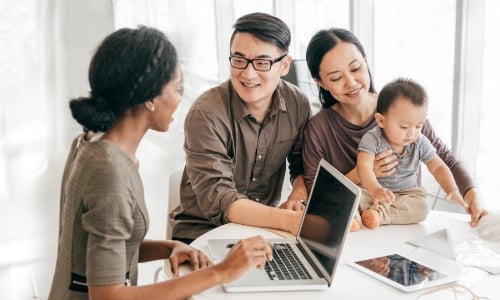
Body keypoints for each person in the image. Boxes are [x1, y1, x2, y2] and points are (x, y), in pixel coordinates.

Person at [48, 26, 272, 300]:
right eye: (177, 89)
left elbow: (106, 248)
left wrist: (169, 247)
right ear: (151, 98)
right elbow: (107, 296)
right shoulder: (109, 174)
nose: (180, 100)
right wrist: (221, 272)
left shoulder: (92, 143)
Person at [302, 28, 488, 230]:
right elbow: (316, 194)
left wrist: (473, 197)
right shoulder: (318, 129)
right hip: (354, 233)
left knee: (420, 206)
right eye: (336, 78)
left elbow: (444, 159)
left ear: (366, 60)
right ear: (319, 81)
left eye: (356, 68)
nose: (351, 82)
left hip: (403, 227)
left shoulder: (402, 110)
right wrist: (361, 174)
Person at [169, 12, 311, 243]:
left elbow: (300, 163)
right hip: (202, 235)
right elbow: (220, 198)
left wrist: (299, 191)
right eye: (239, 59)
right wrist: (287, 220)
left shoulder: (297, 104)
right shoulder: (206, 114)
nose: (248, 73)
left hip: (263, 230)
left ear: (284, 65)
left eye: (262, 63)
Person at [357, 78, 467, 229]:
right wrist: (375, 189)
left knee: (421, 208)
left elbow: (438, 167)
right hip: (373, 191)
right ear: (381, 121)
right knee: (355, 197)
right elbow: (364, 167)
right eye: (404, 126)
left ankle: (381, 215)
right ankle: (354, 219)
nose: (412, 133)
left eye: (418, 126)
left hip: (406, 195)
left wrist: (452, 189)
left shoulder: (420, 142)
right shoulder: (372, 139)